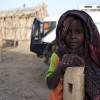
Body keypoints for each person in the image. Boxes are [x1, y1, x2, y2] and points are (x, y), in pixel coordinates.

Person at [45, 10, 100, 100]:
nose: (73, 36)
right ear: (62, 33)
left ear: (86, 34)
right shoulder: (58, 56)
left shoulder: (92, 55)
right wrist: (60, 65)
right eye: (68, 32)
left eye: (78, 32)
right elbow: (50, 85)